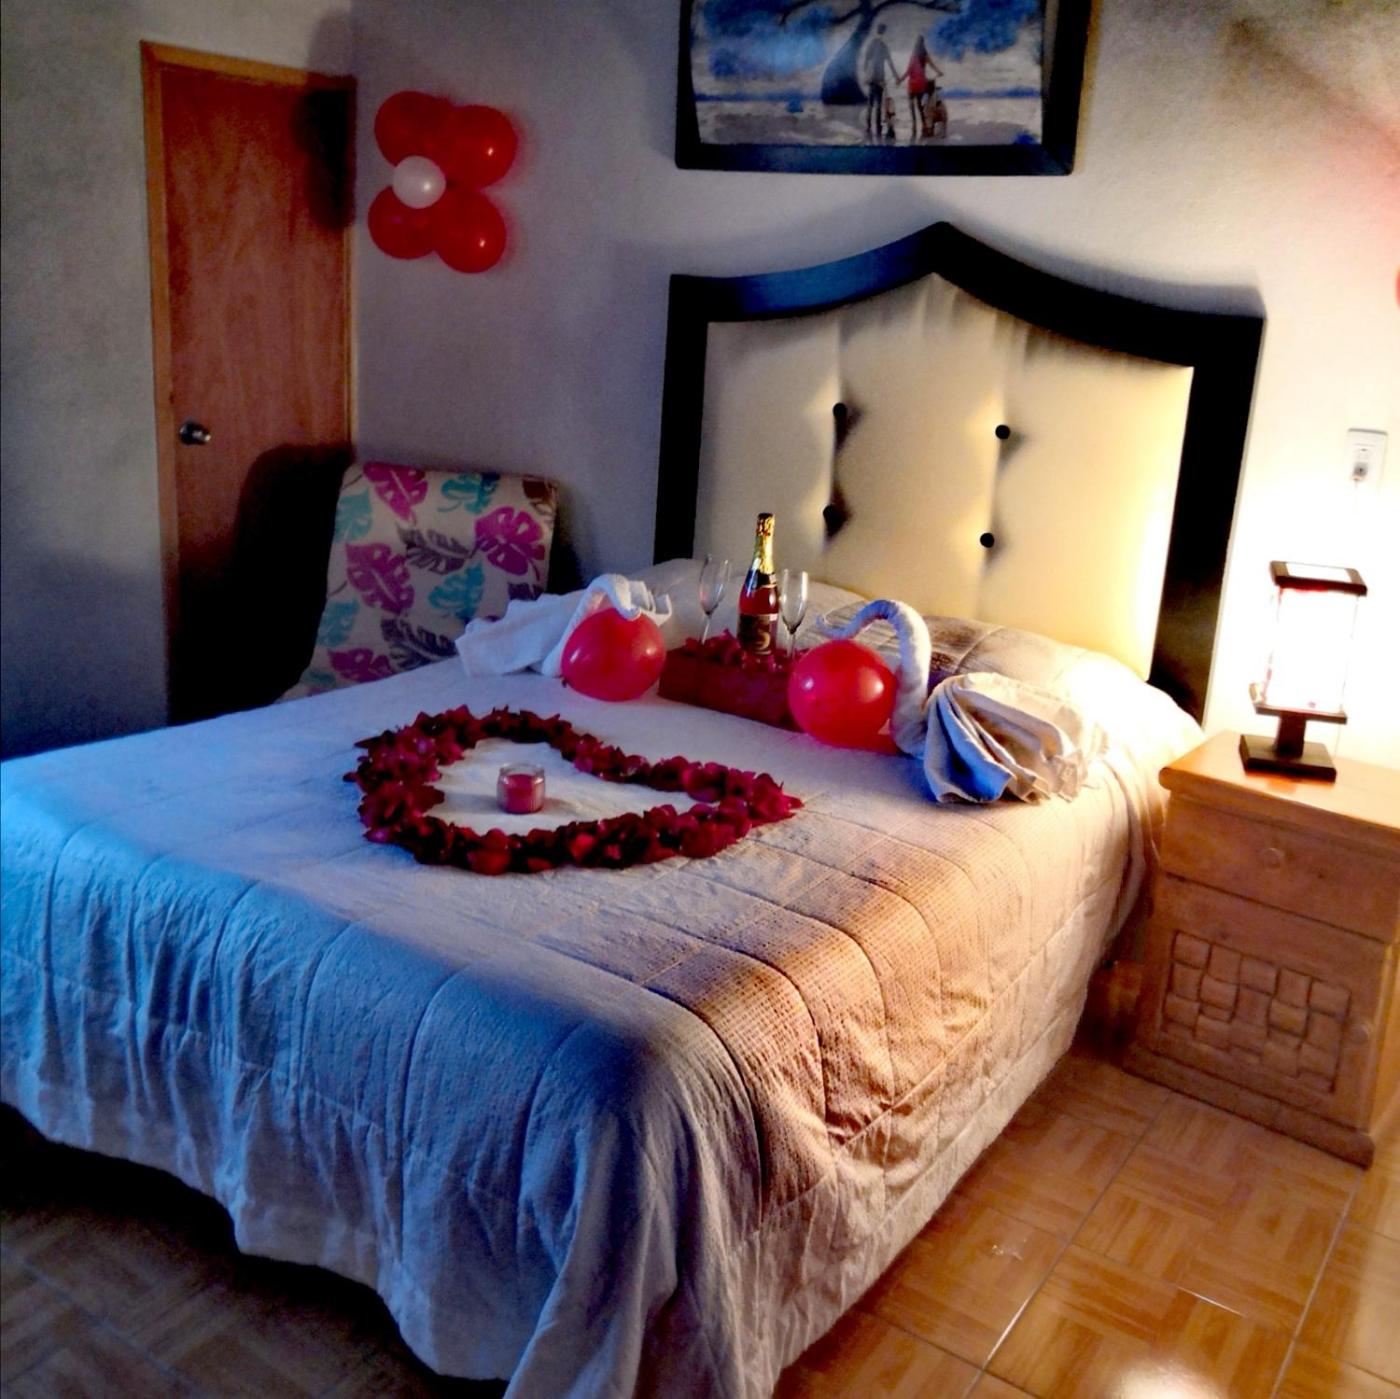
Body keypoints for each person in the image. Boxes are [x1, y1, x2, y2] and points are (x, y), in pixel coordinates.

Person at [861, 23, 900, 139]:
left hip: (871, 79)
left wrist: (866, 74)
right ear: (884, 32)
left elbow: (865, 61)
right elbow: (890, 63)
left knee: (870, 104)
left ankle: (868, 127)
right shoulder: (883, 46)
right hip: (880, 79)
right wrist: (896, 76)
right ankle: (878, 128)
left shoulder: (871, 44)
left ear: (877, 31)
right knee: (878, 105)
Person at [904, 34, 943, 138]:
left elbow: (908, 71)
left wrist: (900, 79)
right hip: (922, 83)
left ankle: (914, 125)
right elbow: (933, 66)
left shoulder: (913, 56)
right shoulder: (925, 55)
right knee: (921, 105)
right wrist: (939, 72)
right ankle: (924, 124)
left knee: (912, 106)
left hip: (912, 85)